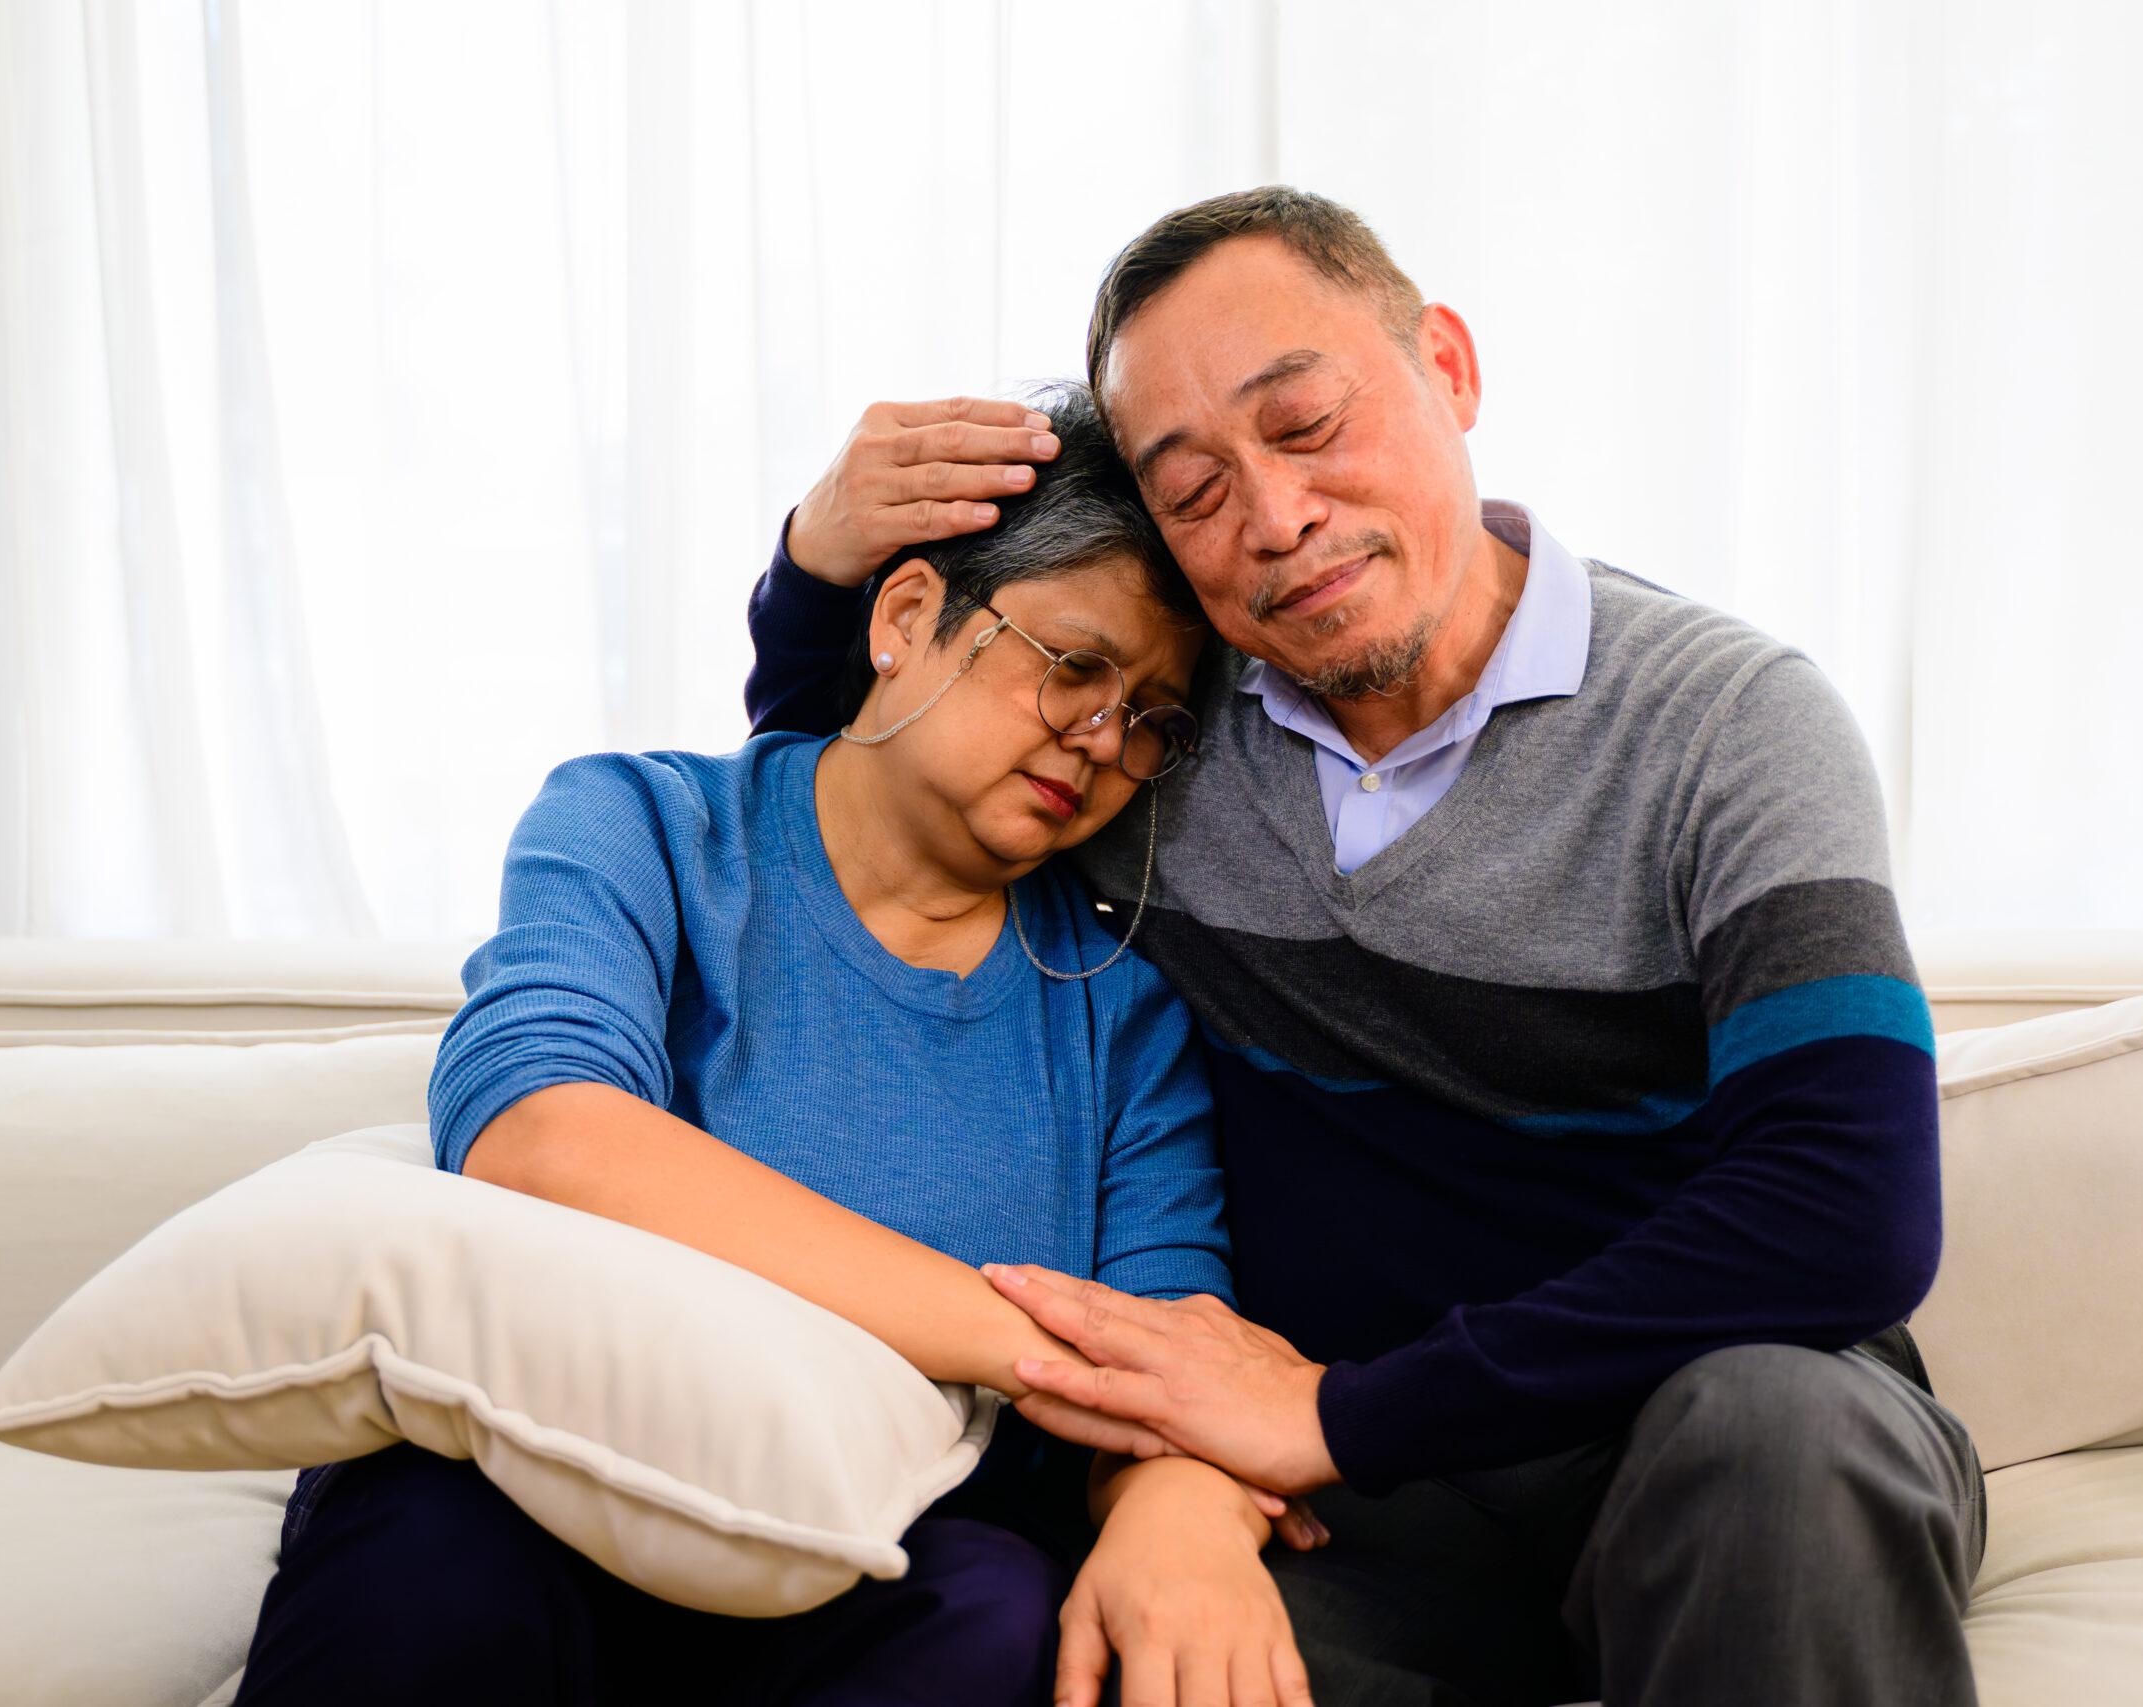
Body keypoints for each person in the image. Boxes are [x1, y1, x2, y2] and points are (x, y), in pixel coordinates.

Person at [744, 186, 1991, 1707]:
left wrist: (1339, 1410)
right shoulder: (1153, 748)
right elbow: (866, 799)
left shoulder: (1730, 728)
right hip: (1370, 1515)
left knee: (1777, 1441)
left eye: (1308, 423)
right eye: (1192, 492)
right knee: (1112, 1654)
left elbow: (1846, 1220)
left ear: (1448, 371)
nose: (1274, 521)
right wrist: (815, 563)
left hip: (1710, 1428)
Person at [232, 382, 1325, 1707]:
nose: (1102, 740)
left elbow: (1167, 1355)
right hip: (534, 1489)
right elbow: (540, 1140)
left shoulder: (1122, 1012)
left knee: (999, 1613)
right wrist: (1008, 1334)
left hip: (877, 1558)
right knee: (426, 1547)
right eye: (1074, 669)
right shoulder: (646, 826)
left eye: (1148, 717)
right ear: (909, 619)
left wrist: (1177, 1511)